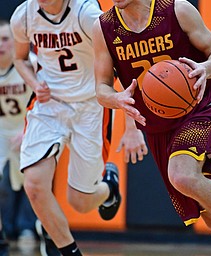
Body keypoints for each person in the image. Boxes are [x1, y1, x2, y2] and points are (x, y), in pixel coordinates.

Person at [92, 0, 211, 255]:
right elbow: (101, 88)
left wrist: (205, 68)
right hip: (159, 129)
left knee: (182, 175)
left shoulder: (176, 9)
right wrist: (116, 99)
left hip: (198, 112)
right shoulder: (103, 27)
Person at [9, 0, 123, 255]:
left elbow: (121, 62)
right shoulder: (24, 16)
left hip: (91, 105)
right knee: (35, 185)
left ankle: (109, 188)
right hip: (49, 105)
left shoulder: (87, 14)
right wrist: (35, 84)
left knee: (80, 202)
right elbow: (19, 58)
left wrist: (134, 128)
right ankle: (67, 250)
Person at [0, 18, 37, 252]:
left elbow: (46, 102)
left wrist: (28, 131)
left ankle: (29, 228)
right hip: (2, 131)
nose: (0, 45)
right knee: (4, 185)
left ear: (15, 42)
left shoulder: (30, 64)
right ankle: (7, 230)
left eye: (4, 39)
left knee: (33, 183)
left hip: (30, 130)